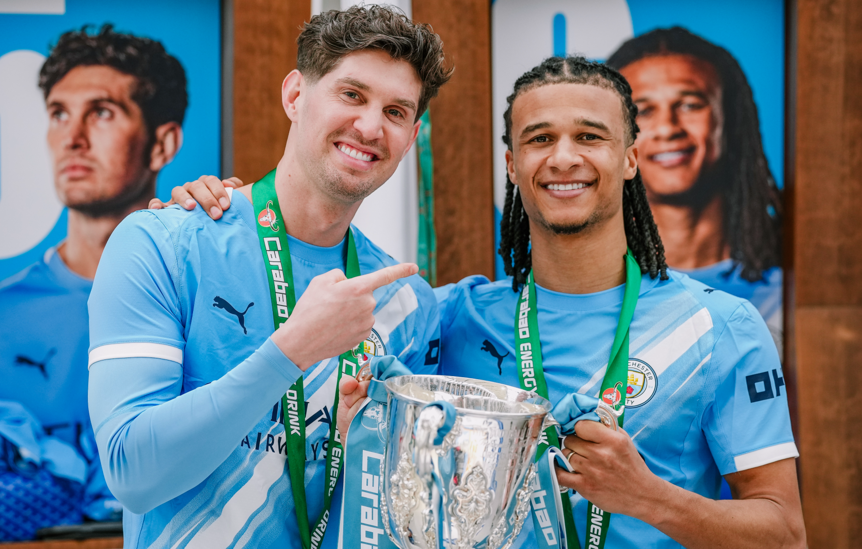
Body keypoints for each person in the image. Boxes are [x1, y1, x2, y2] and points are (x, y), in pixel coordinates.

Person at [171, 56, 804, 548]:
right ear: (511, 162)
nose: (563, 158)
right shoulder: (448, 317)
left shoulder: (718, 326)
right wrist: (218, 214)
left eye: (590, 137)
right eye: (539, 138)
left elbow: (785, 534)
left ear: (631, 158)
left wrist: (645, 496)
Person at [85, 7, 450, 549]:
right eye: (351, 95)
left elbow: (400, 525)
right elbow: (133, 473)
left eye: (395, 112)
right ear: (295, 96)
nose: (371, 126)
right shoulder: (162, 242)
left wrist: (362, 457)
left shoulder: (405, 304)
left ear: (411, 134)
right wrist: (292, 350)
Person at [0, 25, 188, 520]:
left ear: (162, 143)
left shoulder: (209, 304)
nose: (73, 138)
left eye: (102, 112)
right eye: (59, 114)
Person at [607, 27, 784, 349]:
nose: (668, 128)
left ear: (730, 120)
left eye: (690, 104)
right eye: (642, 111)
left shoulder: (794, 279)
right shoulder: (595, 283)